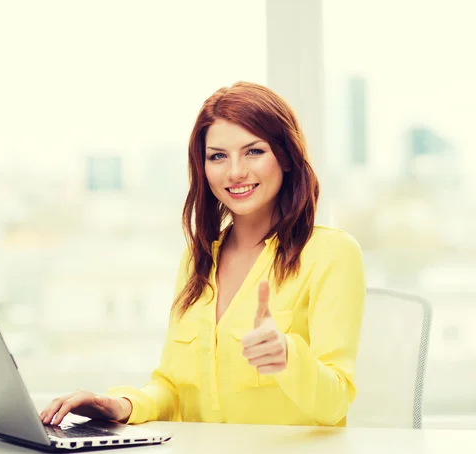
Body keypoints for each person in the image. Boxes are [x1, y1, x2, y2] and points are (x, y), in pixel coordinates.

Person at [40, 81, 366, 428]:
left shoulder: (332, 253)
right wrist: (119, 405)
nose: (235, 171)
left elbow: (335, 403)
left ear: (285, 157)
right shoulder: (197, 261)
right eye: (218, 156)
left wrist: (287, 356)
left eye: (254, 151)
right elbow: (172, 388)